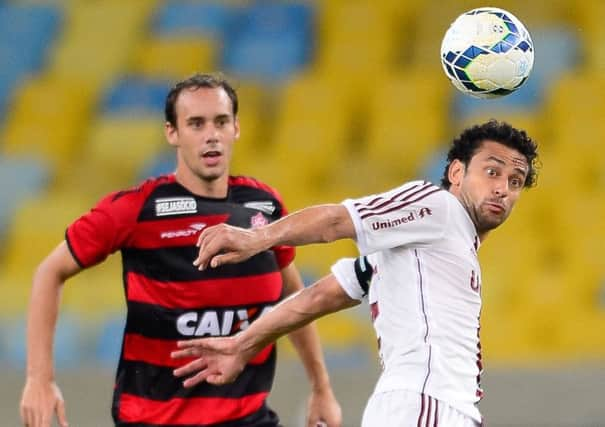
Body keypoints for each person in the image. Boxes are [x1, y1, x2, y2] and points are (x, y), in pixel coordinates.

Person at [19, 73, 342, 427]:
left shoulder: (264, 208)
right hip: (155, 420)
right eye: (196, 124)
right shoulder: (136, 209)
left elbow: (293, 298)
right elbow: (49, 272)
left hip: (248, 419)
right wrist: (39, 379)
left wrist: (321, 387)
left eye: (221, 122)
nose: (211, 135)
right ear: (172, 133)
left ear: (236, 128)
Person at [169, 120, 540, 426]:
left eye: (514, 181)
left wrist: (242, 344)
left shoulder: (428, 247)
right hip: (427, 405)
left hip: (432, 408)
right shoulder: (438, 208)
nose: (502, 189)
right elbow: (335, 221)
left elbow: (320, 297)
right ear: (456, 173)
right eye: (492, 172)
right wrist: (257, 238)